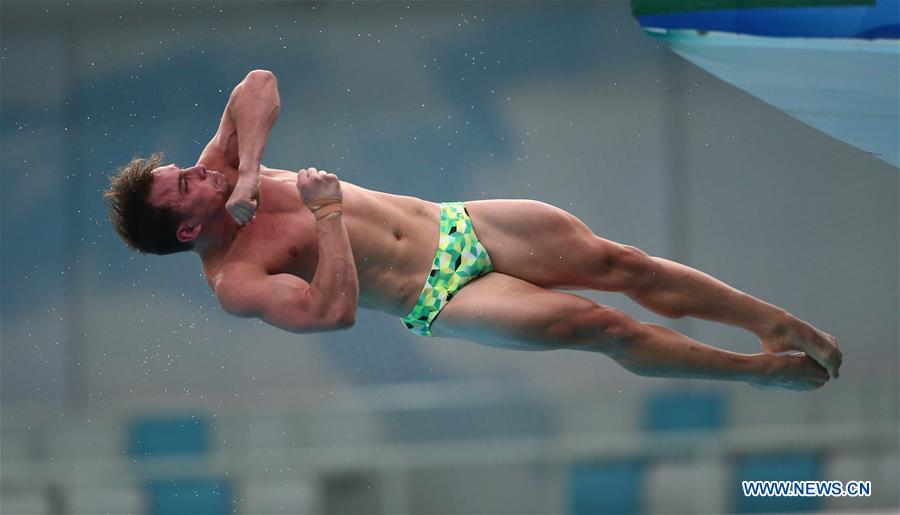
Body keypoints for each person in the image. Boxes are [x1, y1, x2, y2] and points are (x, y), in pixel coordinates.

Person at [105, 70, 842, 390]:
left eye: (189, 170)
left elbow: (257, 84)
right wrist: (326, 216)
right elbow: (331, 314)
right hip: (440, 297)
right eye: (187, 186)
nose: (199, 172)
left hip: (458, 222)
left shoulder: (224, 172)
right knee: (603, 325)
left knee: (620, 261)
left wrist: (246, 170)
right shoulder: (234, 282)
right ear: (184, 229)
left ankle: (773, 323)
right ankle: (755, 375)